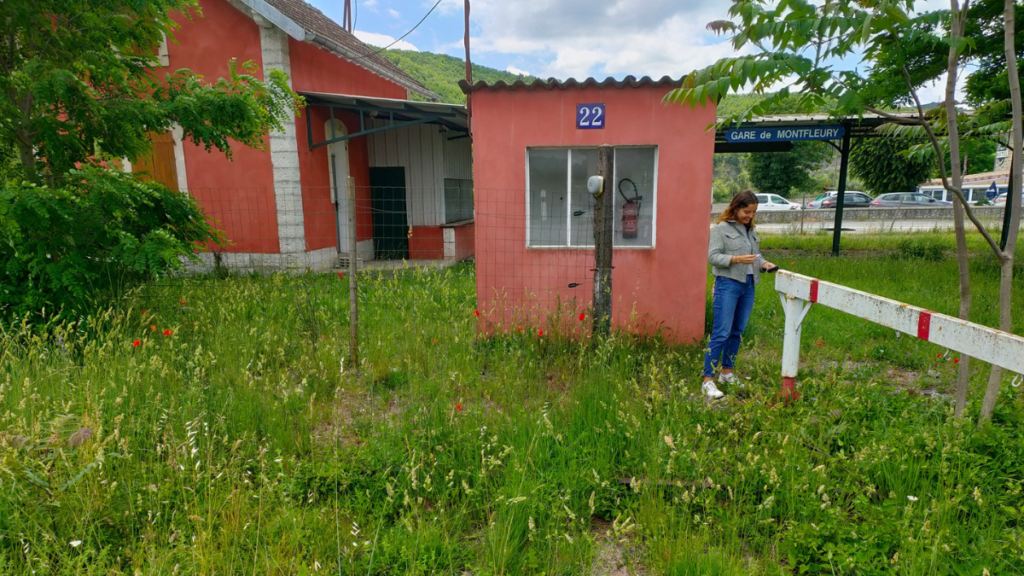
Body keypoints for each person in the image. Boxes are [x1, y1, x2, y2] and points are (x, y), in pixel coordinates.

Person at [702, 190, 777, 399]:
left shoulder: (749, 230)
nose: (750, 216)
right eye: (746, 211)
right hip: (727, 285)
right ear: (735, 208)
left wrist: (764, 264)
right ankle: (708, 380)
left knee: (736, 332)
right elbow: (713, 256)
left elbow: (755, 256)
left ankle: (727, 373)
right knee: (721, 332)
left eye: (753, 212)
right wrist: (735, 259)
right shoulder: (720, 229)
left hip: (748, 285)